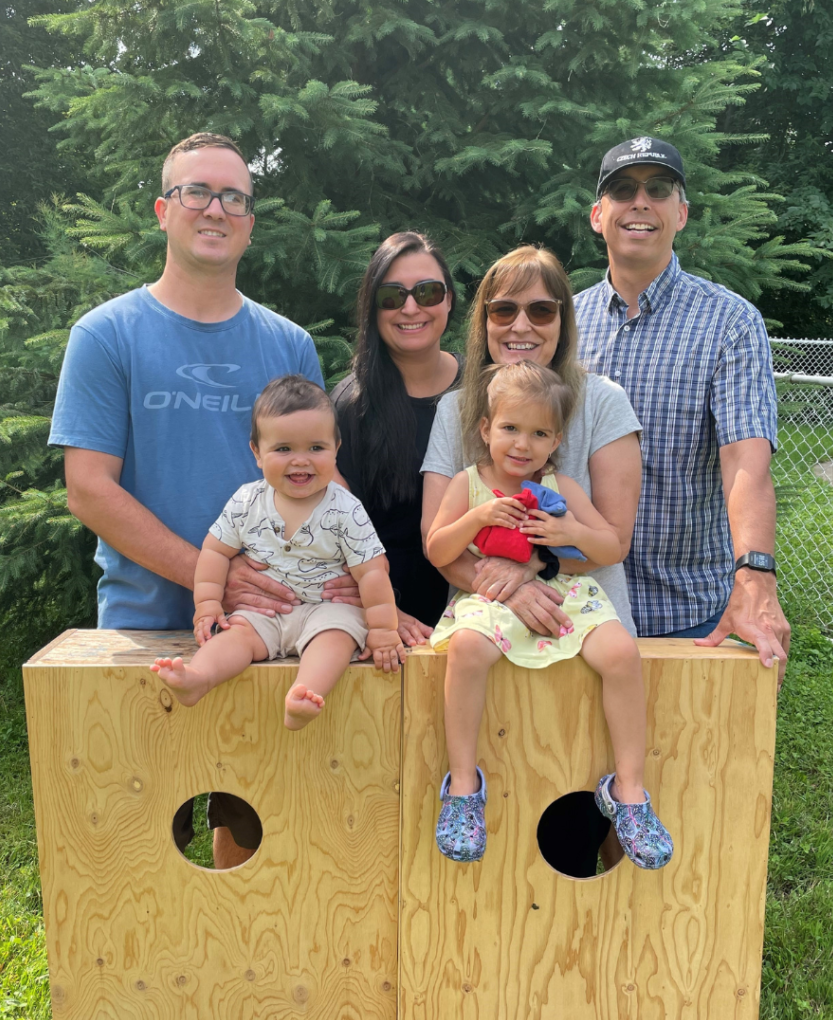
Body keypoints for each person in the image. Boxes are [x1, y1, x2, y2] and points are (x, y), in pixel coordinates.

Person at [49, 131, 322, 868]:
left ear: (250, 224)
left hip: (265, 625)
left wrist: (371, 589)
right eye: (198, 191)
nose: (216, 208)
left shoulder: (289, 344)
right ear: (164, 210)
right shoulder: (106, 335)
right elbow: (89, 490)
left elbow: (318, 489)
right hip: (145, 626)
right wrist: (217, 577)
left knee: (252, 819)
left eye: (235, 196)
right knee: (141, 836)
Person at [421, 244, 644, 876]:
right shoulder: (457, 409)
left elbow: (610, 538)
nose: (521, 325)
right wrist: (509, 589)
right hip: (488, 623)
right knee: (483, 863)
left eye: (541, 310)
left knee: (566, 825)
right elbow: (438, 542)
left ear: (564, 320)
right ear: (484, 322)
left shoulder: (602, 401)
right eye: (505, 309)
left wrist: (535, 571)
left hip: (579, 622)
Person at [576, 136, 790, 683]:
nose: (640, 201)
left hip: (686, 611)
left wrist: (756, 578)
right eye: (623, 190)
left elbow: (746, 463)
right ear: (599, 216)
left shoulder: (730, 323)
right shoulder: (560, 324)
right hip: (574, 603)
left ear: (682, 212)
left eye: (659, 188)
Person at [151, 376, 405, 725]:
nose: (300, 461)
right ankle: (199, 678)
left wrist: (382, 629)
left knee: (338, 637)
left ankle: (303, 694)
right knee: (235, 635)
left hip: (325, 609)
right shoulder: (246, 501)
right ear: (256, 452)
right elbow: (214, 553)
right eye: (284, 449)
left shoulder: (345, 508)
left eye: (316, 448)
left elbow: (373, 571)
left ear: (337, 448)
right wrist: (208, 604)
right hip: (262, 616)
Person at [330, 232, 461, 644]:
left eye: (427, 292)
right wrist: (384, 611)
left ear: (449, 300)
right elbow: (332, 532)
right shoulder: (350, 407)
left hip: (486, 617)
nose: (410, 307)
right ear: (373, 308)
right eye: (391, 296)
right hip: (385, 629)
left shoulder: (487, 393)